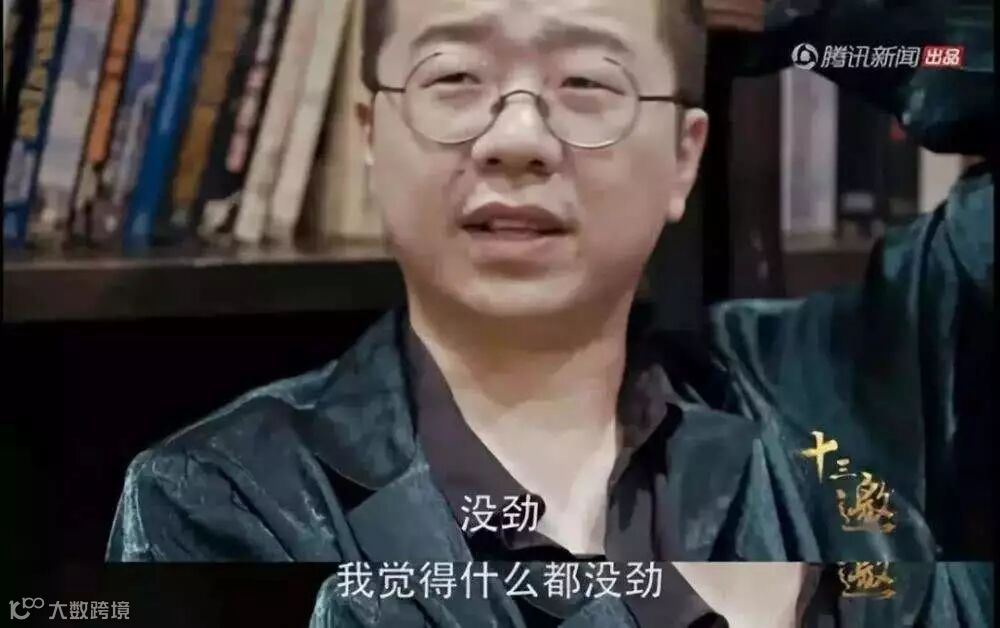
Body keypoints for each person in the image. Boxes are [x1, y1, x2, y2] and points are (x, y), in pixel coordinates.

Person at [108, 0, 993, 625]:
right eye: (455, 76)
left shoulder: (834, 408)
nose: (518, 139)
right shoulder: (224, 499)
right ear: (372, 135)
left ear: (685, 158)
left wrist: (810, 14)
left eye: (587, 82)